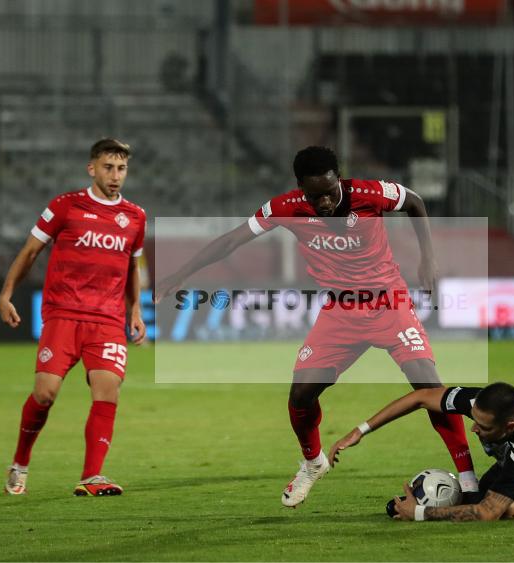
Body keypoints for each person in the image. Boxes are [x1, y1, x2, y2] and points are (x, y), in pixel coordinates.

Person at [154, 146, 477, 507]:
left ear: (340, 178)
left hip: (389, 304)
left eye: (330, 192)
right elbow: (232, 240)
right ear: (300, 189)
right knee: (300, 396)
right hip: (340, 312)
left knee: (430, 387)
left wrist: (428, 258)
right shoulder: (286, 207)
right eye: (315, 196)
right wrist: (181, 274)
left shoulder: (370, 194)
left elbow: (415, 201)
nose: (324, 202)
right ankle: (313, 463)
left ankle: (468, 480)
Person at [0, 138, 147, 496]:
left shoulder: (135, 216)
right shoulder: (65, 206)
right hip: (63, 315)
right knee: (45, 394)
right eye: (108, 168)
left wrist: (136, 309)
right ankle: (20, 463)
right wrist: (5, 294)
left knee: (108, 391)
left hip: (107, 320)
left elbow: (131, 265)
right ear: (92, 168)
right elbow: (30, 251)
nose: (115, 176)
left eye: (122, 169)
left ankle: (92, 476)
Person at [328, 382, 514, 522]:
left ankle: (419, 506)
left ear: (510, 426)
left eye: (484, 427)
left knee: (506, 510)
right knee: (476, 498)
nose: (474, 428)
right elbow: (420, 397)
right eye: (474, 419)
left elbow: (487, 513)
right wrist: (361, 430)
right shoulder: (485, 403)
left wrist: (418, 514)